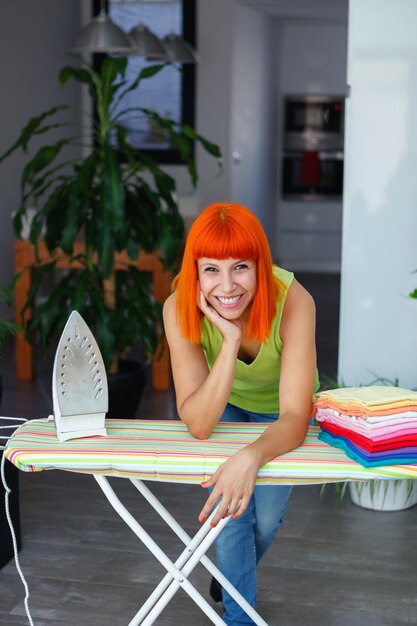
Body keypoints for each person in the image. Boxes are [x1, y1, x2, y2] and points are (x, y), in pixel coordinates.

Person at [163, 202, 319, 626]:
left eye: (241, 268)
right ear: (195, 271)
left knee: (265, 520)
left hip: (281, 412)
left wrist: (250, 456)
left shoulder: (294, 302)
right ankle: (239, 616)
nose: (227, 285)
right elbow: (197, 421)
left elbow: (294, 415)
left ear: (260, 266)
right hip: (223, 402)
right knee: (231, 513)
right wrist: (229, 342)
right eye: (211, 269)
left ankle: (233, 575)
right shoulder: (179, 308)